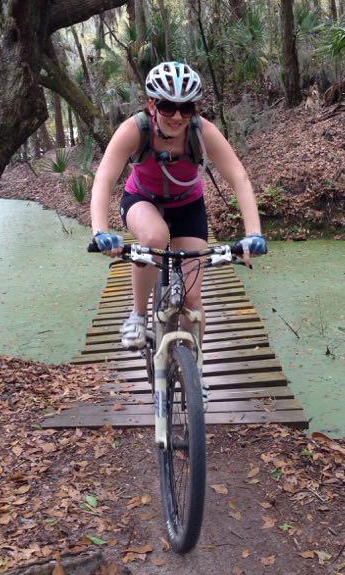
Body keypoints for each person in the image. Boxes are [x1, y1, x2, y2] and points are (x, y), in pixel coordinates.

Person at [90, 60, 267, 357]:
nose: (176, 115)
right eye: (167, 106)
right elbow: (104, 179)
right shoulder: (135, 129)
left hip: (188, 206)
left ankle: (194, 372)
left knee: (193, 300)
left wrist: (254, 234)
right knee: (154, 238)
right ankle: (138, 316)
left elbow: (239, 177)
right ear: (152, 104)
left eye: (186, 108)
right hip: (142, 200)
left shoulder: (201, 132)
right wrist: (100, 231)